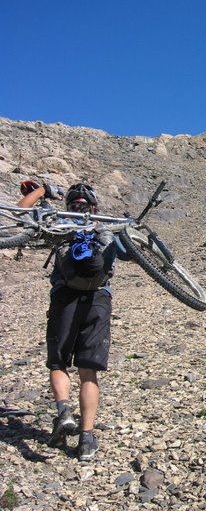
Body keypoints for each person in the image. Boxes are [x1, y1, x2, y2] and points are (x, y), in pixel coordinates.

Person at [18, 181, 127, 461]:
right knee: (88, 371)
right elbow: (129, 253)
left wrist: (41, 190)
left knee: (58, 362)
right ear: (94, 206)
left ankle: (64, 412)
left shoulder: (58, 224)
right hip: (98, 300)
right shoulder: (106, 225)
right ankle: (87, 440)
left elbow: (20, 214)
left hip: (64, 298)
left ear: (69, 205)